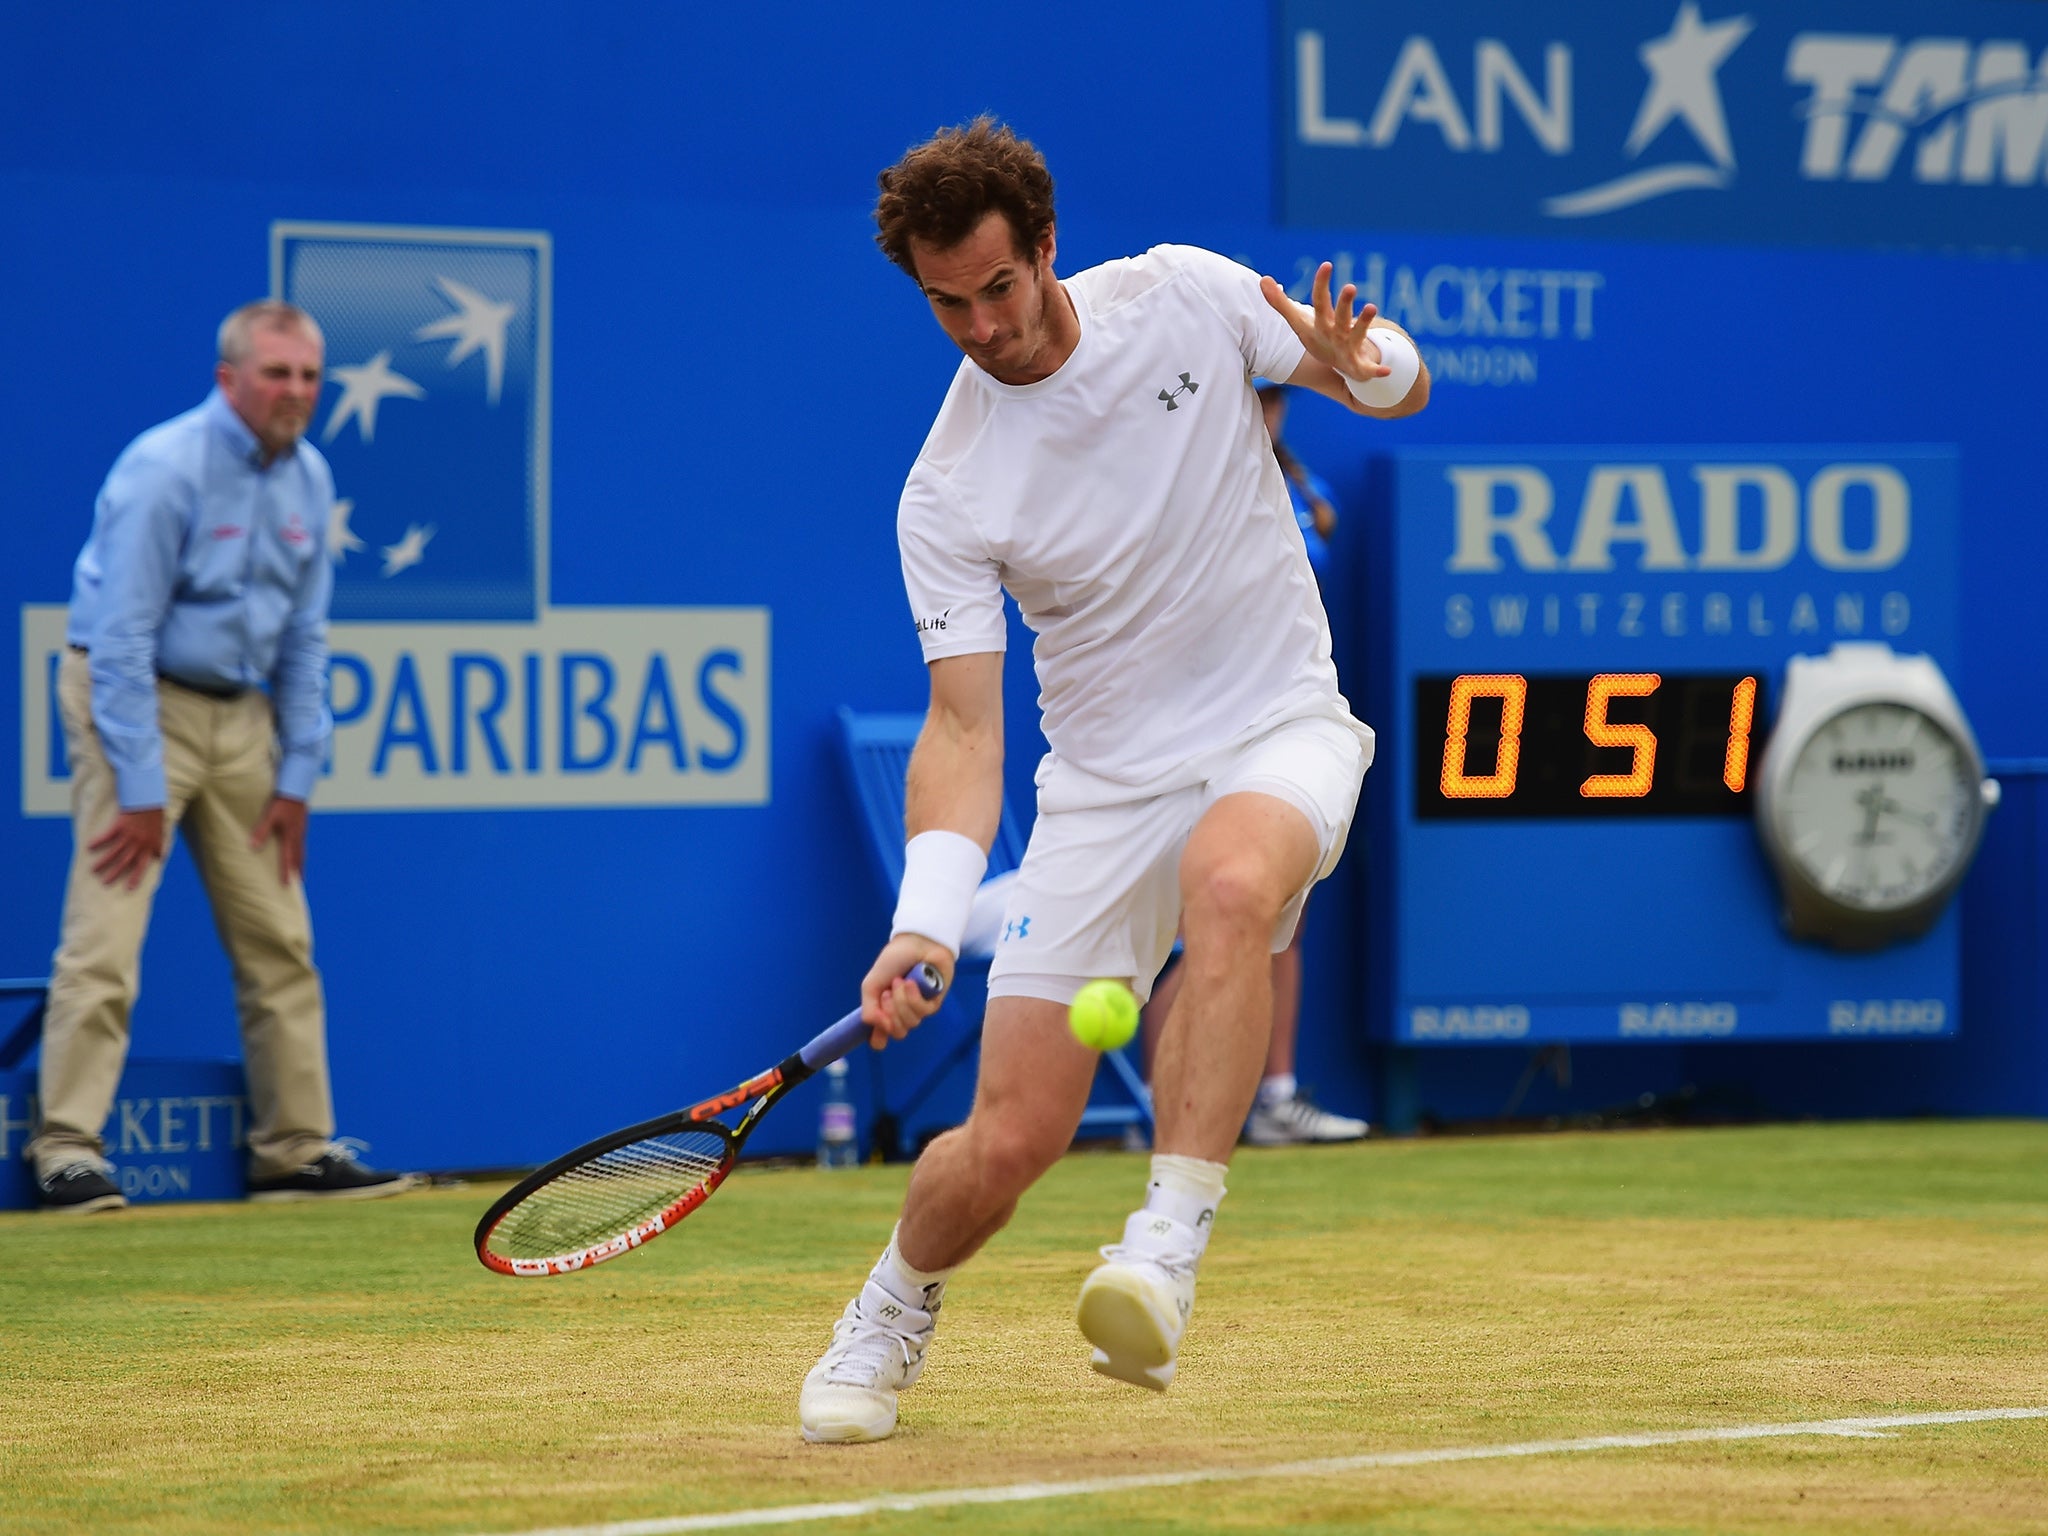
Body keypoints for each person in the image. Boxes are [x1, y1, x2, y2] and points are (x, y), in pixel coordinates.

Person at [800, 118, 1427, 1444]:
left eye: (999, 288)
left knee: (1233, 880)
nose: (981, 325)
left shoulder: (1187, 298)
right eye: (946, 304)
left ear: (1045, 250)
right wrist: (925, 915)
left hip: (1279, 726)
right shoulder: (947, 489)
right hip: (1099, 791)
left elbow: (1390, 389)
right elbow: (964, 736)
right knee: (1006, 1147)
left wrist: (1362, 359)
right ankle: (891, 1305)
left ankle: (1165, 1244)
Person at [28, 300, 409, 1213]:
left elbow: (306, 640)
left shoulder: (311, 478)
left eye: (311, 376)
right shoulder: (163, 470)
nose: (296, 392)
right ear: (228, 379)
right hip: (133, 701)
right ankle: (67, 1150)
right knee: (106, 936)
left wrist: (297, 776)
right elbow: (117, 641)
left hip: (242, 721)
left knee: (279, 936)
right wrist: (141, 788)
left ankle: (293, 1149)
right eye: (277, 374)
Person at [1138, 382, 1370, 1148]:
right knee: (1211, 928)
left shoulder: (1309, 490)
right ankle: (1160, 1105)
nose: (1269, 410)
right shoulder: (1191, 482)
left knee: (1279, 921)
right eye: (1256, 396)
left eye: (1277, 397)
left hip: (1286, 718)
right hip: (1207, 728)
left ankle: (1272, 1095)